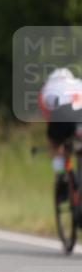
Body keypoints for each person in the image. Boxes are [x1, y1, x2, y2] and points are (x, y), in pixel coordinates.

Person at [39, 67, 82, 202]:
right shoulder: (79, 83)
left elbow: (49, 119)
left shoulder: (46, 89)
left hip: (61, 114)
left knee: (54, 143)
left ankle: (61, 174)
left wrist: (58, 142)